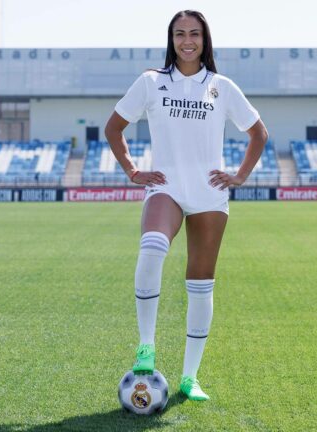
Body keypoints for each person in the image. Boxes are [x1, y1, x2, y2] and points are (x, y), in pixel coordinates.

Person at [104, 10, 268, 402]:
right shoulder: (151, 82)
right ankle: (147, 346)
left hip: (210, 194)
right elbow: (113, 128)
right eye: (180, 34)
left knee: (200, 284)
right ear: (171, 39)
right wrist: (131, 170)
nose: (187, 40)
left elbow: (259, 133)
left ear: (205, 39)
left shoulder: (222, 87)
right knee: (152, 247)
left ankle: (189, 378)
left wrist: (240, 175)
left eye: (194, 33)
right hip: (167, 186)